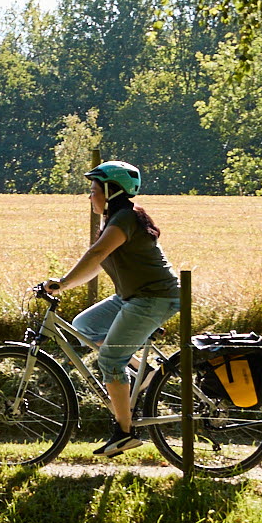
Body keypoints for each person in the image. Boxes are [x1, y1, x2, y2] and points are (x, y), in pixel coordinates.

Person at [39, 159, 181, 458]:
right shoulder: (116, 218)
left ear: (111, 191)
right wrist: (65, 284)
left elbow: (97, 253)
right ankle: (143, 374)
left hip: (153, 297)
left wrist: (62, 283)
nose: (90, 196)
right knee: (84, 325)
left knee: (110, 361)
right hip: (132, 296)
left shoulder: (125, 219)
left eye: (94, 189)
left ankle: (125, 433)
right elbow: (95, 264)